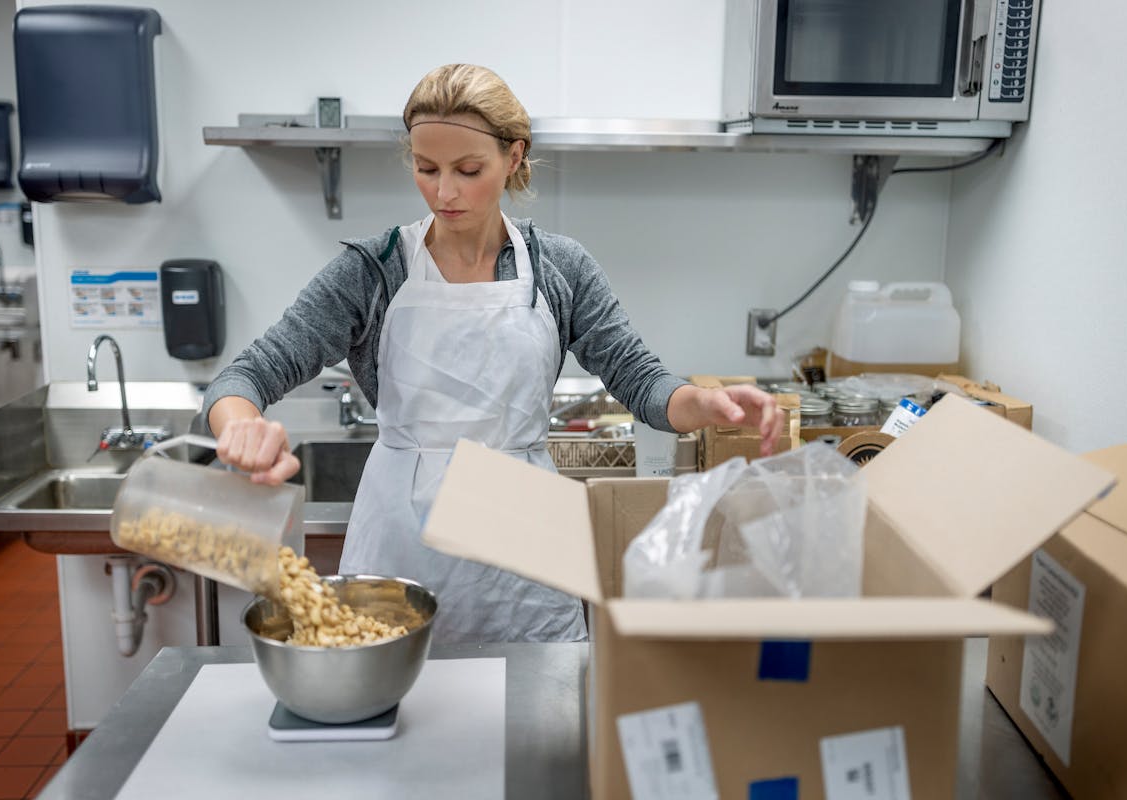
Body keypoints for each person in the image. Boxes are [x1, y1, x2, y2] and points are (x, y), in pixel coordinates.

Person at [204, 63, 785, 643]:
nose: (444, 191)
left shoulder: (559, 268)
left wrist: (703, 404)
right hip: (403, 545)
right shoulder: (374, 270)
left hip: (523, 536)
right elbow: (246, 375)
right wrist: (242, 425)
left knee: (538, 716)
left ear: (514, 157)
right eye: (426, 168)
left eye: (468, 170)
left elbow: (637, 376)